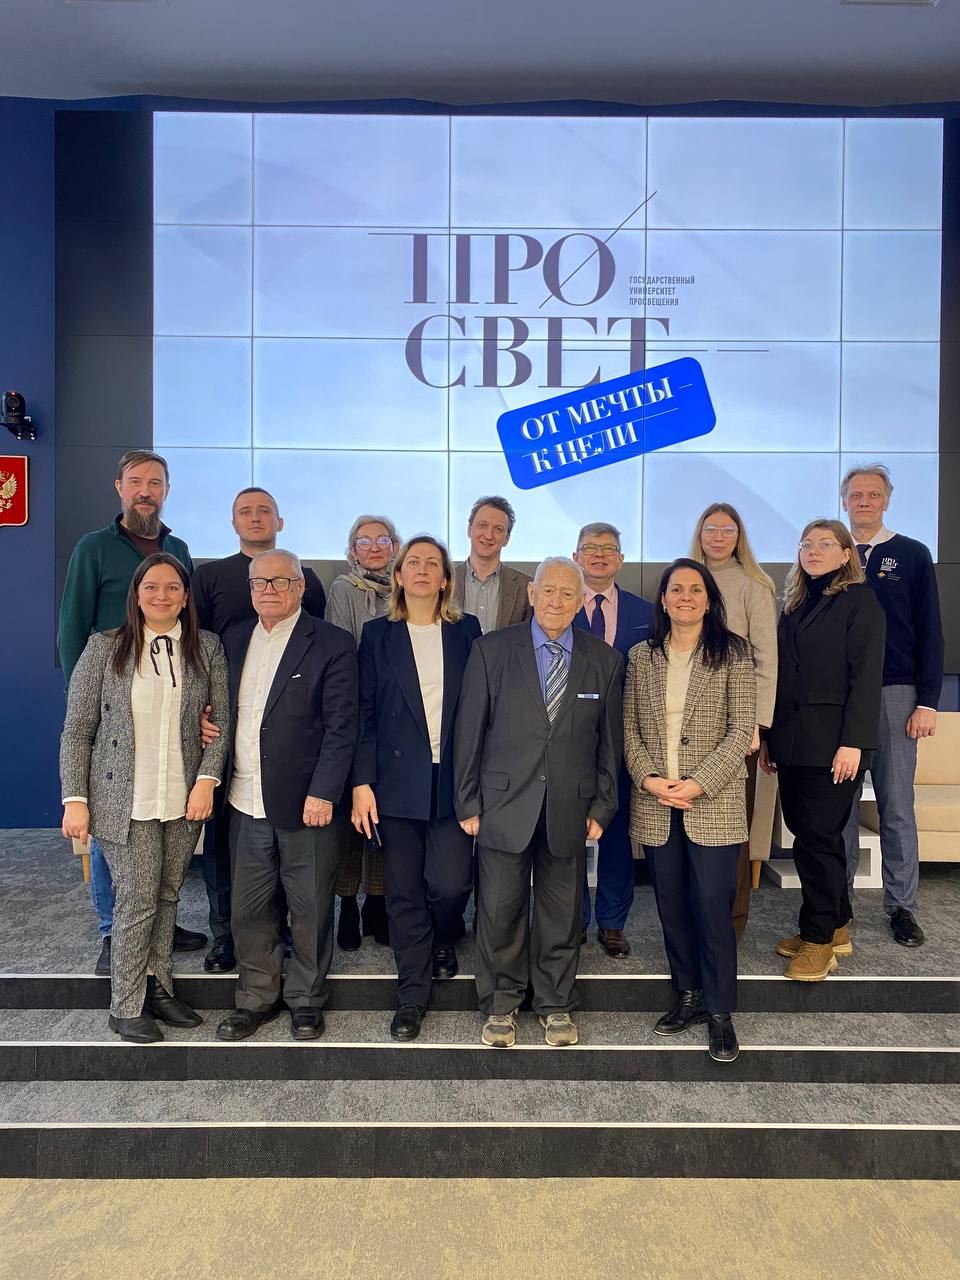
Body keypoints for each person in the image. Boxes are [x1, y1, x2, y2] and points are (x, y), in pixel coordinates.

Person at [60, 553, 229, 1043]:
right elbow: (77, 731)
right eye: (151, 586)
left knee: (167, 894)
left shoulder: (206, 647)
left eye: (172, 587)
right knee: (136, 898)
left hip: (183, 795)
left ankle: (159, 987)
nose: (162, 595)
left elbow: (220, 721)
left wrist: (206, 780)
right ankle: (126, 1003)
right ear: (136, 594)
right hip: (122, 797)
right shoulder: (104, 648)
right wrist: (75, 798)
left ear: (185, 596)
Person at [455, 557, 623, 1049]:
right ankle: (501, 1004)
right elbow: (469, 732)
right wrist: (467, 802)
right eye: (548, 590)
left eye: (568, 593)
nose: (556, 601)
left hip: (571, 808)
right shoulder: (490, 650)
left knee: (561, 914)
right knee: (499, 911)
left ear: (581, 600)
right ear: (531, 594)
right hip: (502, 805)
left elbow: (609, 744)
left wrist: (603, 806)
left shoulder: (604, 660)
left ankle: (554, 1004)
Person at [57, 449, 206, 975]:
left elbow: (188, 628)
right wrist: (86, 704)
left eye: (156, 483)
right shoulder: (93, 547)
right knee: (113, 825)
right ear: (119, 487)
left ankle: (157, 921)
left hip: (164, 703)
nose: (146, 491)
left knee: (160, 821)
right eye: (137, 481)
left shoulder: (178, 549)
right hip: (112, 710)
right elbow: (72, 627)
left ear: (166, 490)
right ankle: (111, 929)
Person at [215, 550, 359, 1042]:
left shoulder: (332, 643)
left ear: (300, 587)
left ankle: (306, 1000)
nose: (269, 590)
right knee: (248, 909)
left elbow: (342, 726)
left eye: (280, 581)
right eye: (260, 582)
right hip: (243, 798)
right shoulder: (233, 639)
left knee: (310, 907)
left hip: (307, 803)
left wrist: (324, 792)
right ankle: (256, 998)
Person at [624, 559, 756, 1064]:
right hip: (657, 802)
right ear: (663, 599)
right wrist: (648, 778)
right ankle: (689, 995)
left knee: (713, 909)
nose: (685, 597)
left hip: (713, 802)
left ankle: (720, 1012)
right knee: (673, 907)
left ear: (708, 599)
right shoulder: (642, 656)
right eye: (676, 589)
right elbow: (628, 729)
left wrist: (699, 784)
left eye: (695, 589)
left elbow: (741, 729)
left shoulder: (733, 652)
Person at [190, 486, 327, 972]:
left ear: (279, 521)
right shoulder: (208, 577)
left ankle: (282, 931)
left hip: (288, 738)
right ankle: (224, 934)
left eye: (264, 511)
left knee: (283, 849)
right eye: (245, 512)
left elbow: (314, 647)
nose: (255, 518)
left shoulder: (306, 575)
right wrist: (201, 713)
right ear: (233, 523)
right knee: (225, 848)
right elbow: (198, 650)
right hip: (230, 737)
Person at [352, 536, 481, 1041]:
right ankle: (411, 995)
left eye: (433, 563)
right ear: (399, 576)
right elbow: (363, 713)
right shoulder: (376, 635)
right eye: (413, 562)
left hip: (454, 779)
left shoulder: (467, 630)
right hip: (396, 781)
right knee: (404, 891)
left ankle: (444, 935)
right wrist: (362, 782)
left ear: (446, 579)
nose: (423, 569)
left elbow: (482, 709)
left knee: (451, 885)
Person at [761, 520, 885, 982]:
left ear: (846, 554)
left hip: (835, 744)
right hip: (794, 742)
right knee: (811, 835)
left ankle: (818, 941)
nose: (813, 551)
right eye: (806, 544)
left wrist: (854, 742)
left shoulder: (860, 601)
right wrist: (771, 738)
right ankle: (836, 926)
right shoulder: (796, 603)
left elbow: (866, 677)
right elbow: (783, 676)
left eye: (825, 544)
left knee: (818, 838)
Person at [840, 465, 944, 947]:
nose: (864, 501)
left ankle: (902, 907)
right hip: (838, 698)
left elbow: (931, 631)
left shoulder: (913, 554)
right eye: (856, 494)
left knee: (896, 806)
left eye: (873, 494)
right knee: (838, 809)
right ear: (844, 500)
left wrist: (928, 702)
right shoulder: (830, 553)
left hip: (895, 694)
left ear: (887, 500)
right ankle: (837, 904)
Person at [689, 502, 778, 939]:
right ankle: (694, 913)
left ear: (739, 536)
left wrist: (755, 726)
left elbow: (766, 660)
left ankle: (732, 920)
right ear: (700, 533)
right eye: (711, 529)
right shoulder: (685, 578)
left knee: (732, 830)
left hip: (734, 729)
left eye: (728, 530)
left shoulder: (754, 586)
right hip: (685, 728)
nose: (719, 537)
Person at [572, 522, 654, 956]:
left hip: (625, 740)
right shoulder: (559, 606)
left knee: (617, 833)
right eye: (590, 548)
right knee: (568, 833)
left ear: (621, 559)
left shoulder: (647, 612)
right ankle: (573, 918)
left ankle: (612, 922)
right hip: (570, 740)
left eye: (608, 548)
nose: (599, 554)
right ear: (576, 557)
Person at [324, 514, 402, 952]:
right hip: (352, 710)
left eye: (382, 540)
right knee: (350, 821)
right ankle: (348, 905)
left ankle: (377, 901)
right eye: (364, 540)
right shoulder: (343, 588)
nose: (374, 547)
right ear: (352, 549)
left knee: (385, 817)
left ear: (395, 547)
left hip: (395, 718)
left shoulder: (405, 589)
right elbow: (342, 651)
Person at [452, 496, 533, 633]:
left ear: (506, 539)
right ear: (469, 530)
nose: (489, 535)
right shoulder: (445, 581)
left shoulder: (525, 586)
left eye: (498, 529)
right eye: (482, 525)